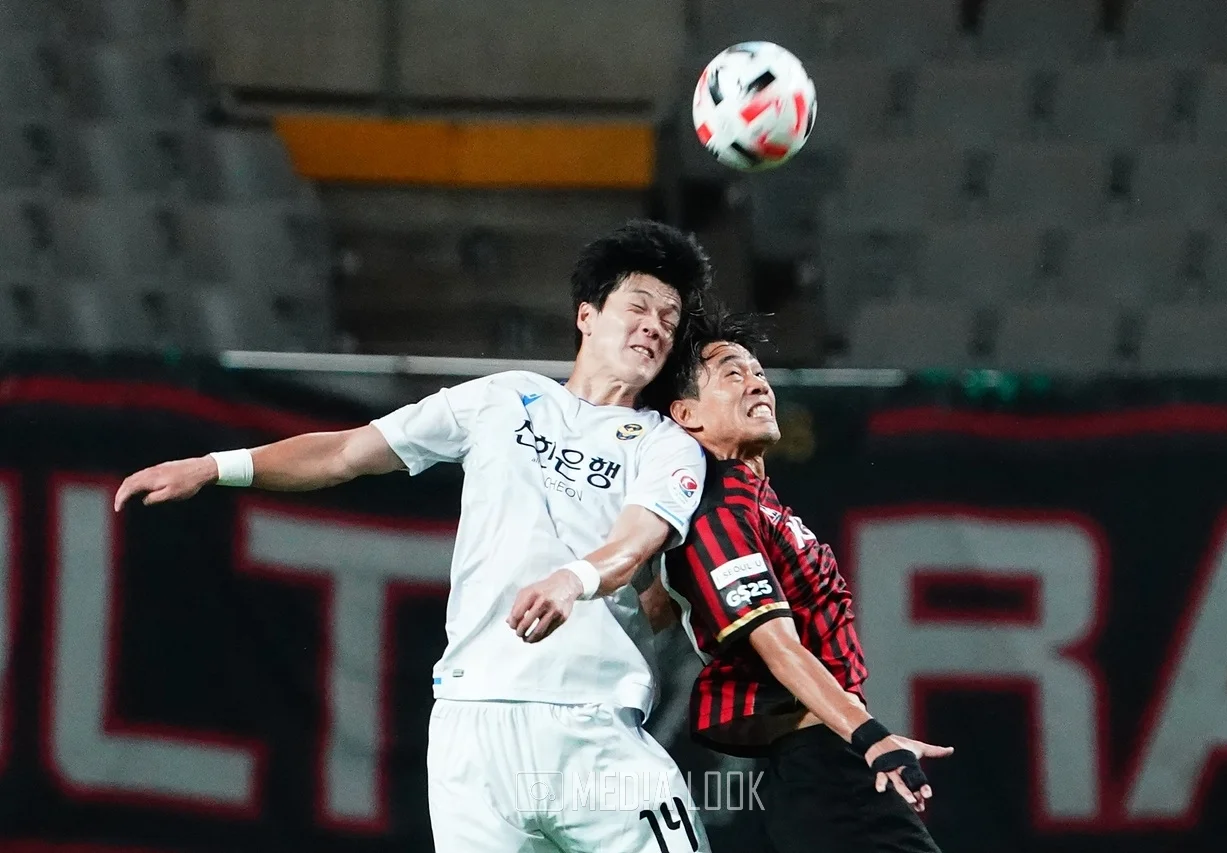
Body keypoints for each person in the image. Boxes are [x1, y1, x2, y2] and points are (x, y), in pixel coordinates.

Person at [114, 220, 715, 853]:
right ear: (586, 316)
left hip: (594, 728)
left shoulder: (668, 444)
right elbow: (346, 452)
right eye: (639, 307)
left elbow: (638, 539)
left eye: (669, 320)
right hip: (472, 728)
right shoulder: (503, 398)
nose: (655, 326)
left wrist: (573, 579)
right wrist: (215, 466)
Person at [646, 306, 952, 853]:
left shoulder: (758, 502)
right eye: (732, 374)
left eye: (759, 372)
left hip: (829, 759)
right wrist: (870, 736)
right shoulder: (719, 511)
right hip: (824, 769)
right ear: (686, 414)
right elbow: (777, 647)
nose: (757, 383)